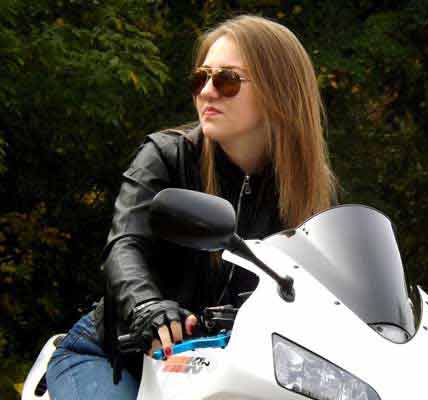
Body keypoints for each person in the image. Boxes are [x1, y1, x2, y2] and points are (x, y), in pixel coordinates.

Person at [46, 14, 337, 399]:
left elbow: (331, 292)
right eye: (201, 78)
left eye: (227, 80)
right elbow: (125, 245)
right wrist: (148, 308)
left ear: (279, 90)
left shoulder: (309, 190)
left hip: (221, 368)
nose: (208, 92)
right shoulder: (167, 156)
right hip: (117, 356)